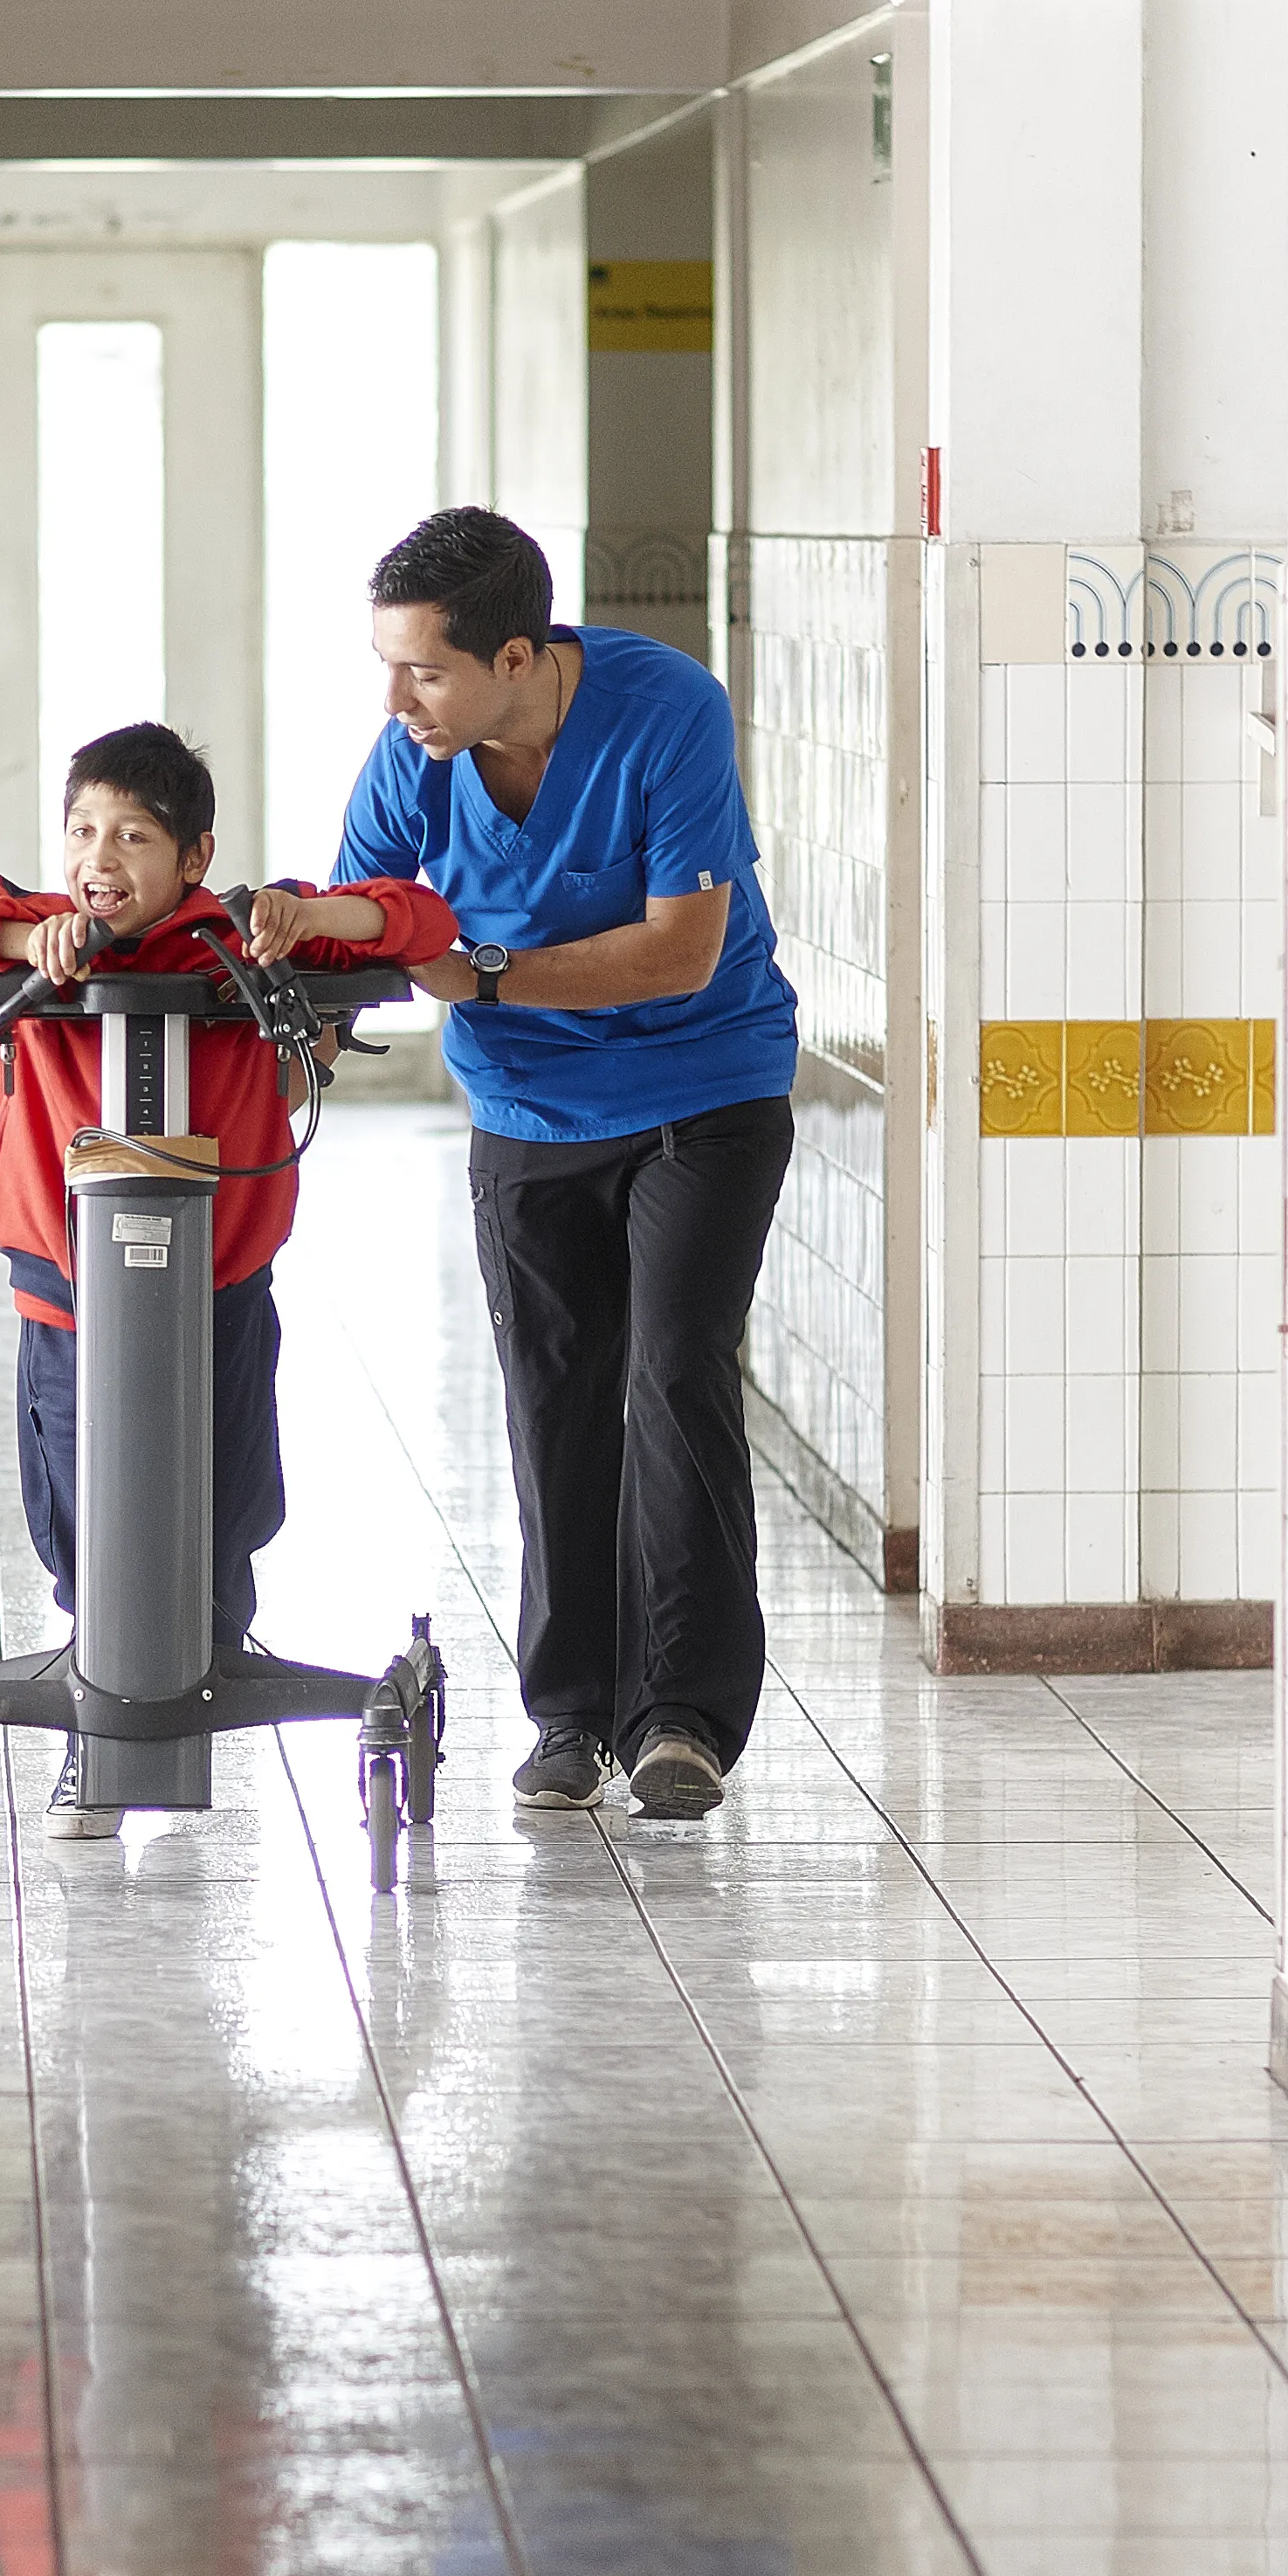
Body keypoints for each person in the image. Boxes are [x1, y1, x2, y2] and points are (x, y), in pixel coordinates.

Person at [0, 721, 459, 1835]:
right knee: (82, 1514)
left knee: (227, 1507)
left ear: (195, 857)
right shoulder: (36, 930)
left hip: (221, 1283)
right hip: (64, 1286)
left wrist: (309, 920)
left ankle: (199, 1682)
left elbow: (422, 921)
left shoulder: (239, 938)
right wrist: (17, 939)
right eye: (83, 830)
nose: (100, 856)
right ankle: (102, 1716)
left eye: (134, 836)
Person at [332, 507, 798, 1822]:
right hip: (528, 1110)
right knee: (556, 1400)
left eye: (424, 670)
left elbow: (680, 951)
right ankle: (574, 1715)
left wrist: (480, 971)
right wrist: (298, 938)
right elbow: (369, 913)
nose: (396, 699)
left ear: (517, 658)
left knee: (674, 1373)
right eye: (388, 666)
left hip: (703, 1089)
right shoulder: (416, 753)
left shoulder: (668, 711)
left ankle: (684, 1719)